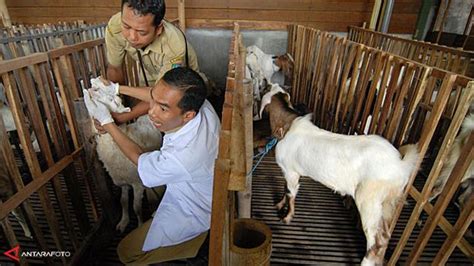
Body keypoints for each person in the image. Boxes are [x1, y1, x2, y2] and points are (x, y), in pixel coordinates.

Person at [83, 67, 220, 264]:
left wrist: (107, 122)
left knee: (126, 253)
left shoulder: (185, 155)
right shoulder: (200, 103)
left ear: (188, 115)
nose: (151, 111)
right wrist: (116, 88)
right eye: (153, 101)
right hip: (199, 190)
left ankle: (194, 249)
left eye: (162, 109)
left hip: (195, 213)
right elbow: (158, 95)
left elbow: (140, 158)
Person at [105, 0, 199, 124]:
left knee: (171, 119)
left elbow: (163, 95)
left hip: (179, 83)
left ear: (158, 29)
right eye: (126, 27)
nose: (132, 37)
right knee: (145, 115)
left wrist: (123, 116)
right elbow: (115, 68)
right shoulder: (115, 26)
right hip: (149, 71)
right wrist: (117, 104)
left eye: (142, 32)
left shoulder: (175, 46)